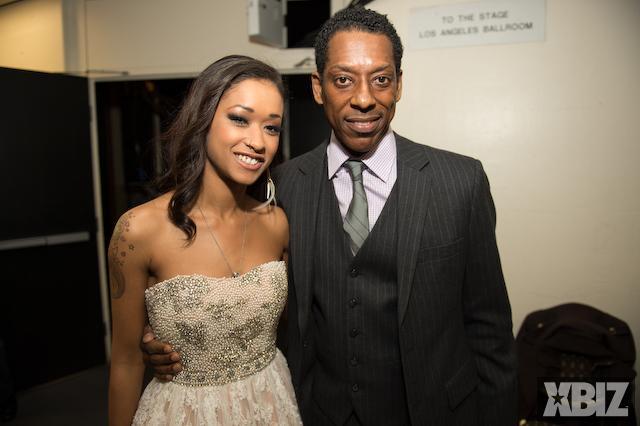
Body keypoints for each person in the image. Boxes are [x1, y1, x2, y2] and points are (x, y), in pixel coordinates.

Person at [143, 7, 517, 425]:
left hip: (435, 412)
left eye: (381, 79)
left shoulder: (460, 181)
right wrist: (174, 339)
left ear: (399, 85)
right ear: (318, 88)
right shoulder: (281, 186)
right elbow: (237, 284)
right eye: (343, 80)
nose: (364, 98)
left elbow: (490, 329)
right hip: (320, 412)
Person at [108, 55, 302, 425]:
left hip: (271, 402)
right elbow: (126, 362)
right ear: (204, 118)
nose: (257, 141)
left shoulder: (277, 223)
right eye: (240, 119)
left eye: (271, 127)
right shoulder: (138, 230)